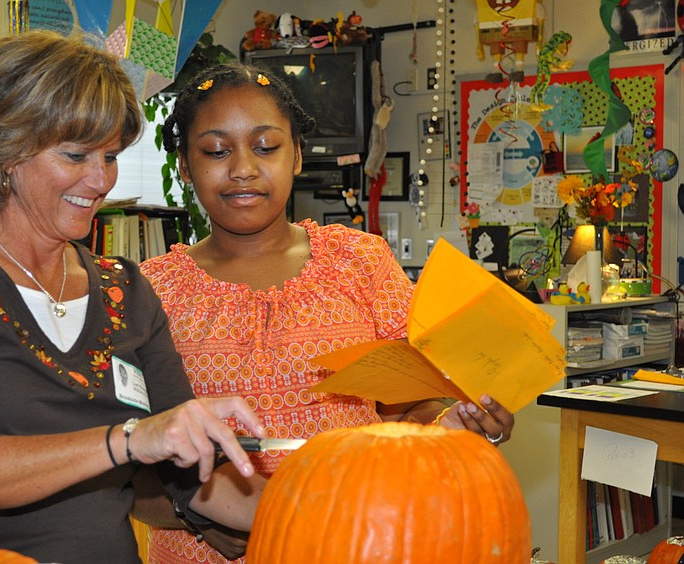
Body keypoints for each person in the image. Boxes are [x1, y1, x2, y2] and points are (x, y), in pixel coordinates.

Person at [0, 31, 266, 564]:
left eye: (111, 156)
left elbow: (189, 477)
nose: (100, 181)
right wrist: (127, 439)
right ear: (4, 150)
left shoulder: (126, 289)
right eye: (76, 154)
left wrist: (335, 508)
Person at [137, 62, 516, 564]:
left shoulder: (360, 261)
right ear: (185, 165)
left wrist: (459, 424)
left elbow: (412, 409)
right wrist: (196, 516)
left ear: (296, 155)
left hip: (360, 541)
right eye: (215, 151)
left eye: (266, 146)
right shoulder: (148, 290)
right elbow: (124, 461)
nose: (243, 167)